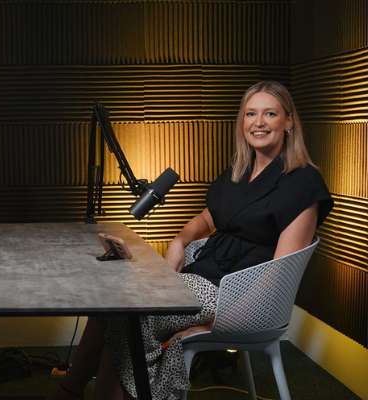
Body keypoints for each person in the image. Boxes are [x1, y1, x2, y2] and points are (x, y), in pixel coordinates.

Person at [48, 81, 334, 400]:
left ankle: (78, 393)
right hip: (198, 274)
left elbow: (278, 275)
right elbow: (207, 219)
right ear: (242, 122)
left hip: (228, 292)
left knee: (131, 318)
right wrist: (180, 240)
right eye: (251, 113)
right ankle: (69, 390)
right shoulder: (239, 172)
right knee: (113, 304)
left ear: (289, 122)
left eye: (270, 113)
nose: (259, 122)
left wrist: (219, 322)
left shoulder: (304, 183)